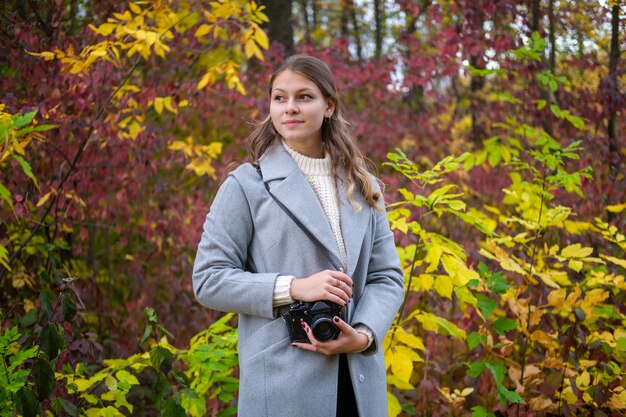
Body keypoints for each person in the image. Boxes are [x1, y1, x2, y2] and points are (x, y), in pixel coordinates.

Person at [192, 54, 404, 417]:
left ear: (329, 106)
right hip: (282, 387)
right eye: (279, 97)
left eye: (304, 97)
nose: (289, 108)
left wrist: (365, 334)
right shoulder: (246, 185)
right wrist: (292, 287)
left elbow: (386, 278)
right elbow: (208, 280)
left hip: (359, 384)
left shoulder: (363, 187)